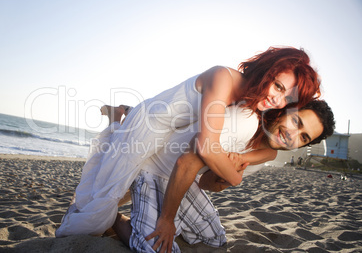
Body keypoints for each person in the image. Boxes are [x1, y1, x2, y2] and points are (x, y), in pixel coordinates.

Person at [55, 46, 321, 238]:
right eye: (277, 86)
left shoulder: (250, 104)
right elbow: (206, 146)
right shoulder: (223, 79)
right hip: (146, 126)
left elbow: (208, 152)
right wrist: (235, 176)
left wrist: (244, 161)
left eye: (288, 99)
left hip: (166, 136)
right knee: (97, 209)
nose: (278, 101)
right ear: (266, 71)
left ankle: (122, 114)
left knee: (115, 193)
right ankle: (116, 117)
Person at [116, 100, 335, 252]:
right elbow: (187, 162)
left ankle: (144, 214)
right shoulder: (245, 121)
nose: (292, 135)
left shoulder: (263, 154)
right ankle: (114, 219)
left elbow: (205, 182)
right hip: (156, 163)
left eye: (303, 137)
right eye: (297, 122)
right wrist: (167, 220)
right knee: (153, 247)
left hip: (185, 176)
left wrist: (224, 180)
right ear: (286, 111)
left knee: (214, 240)